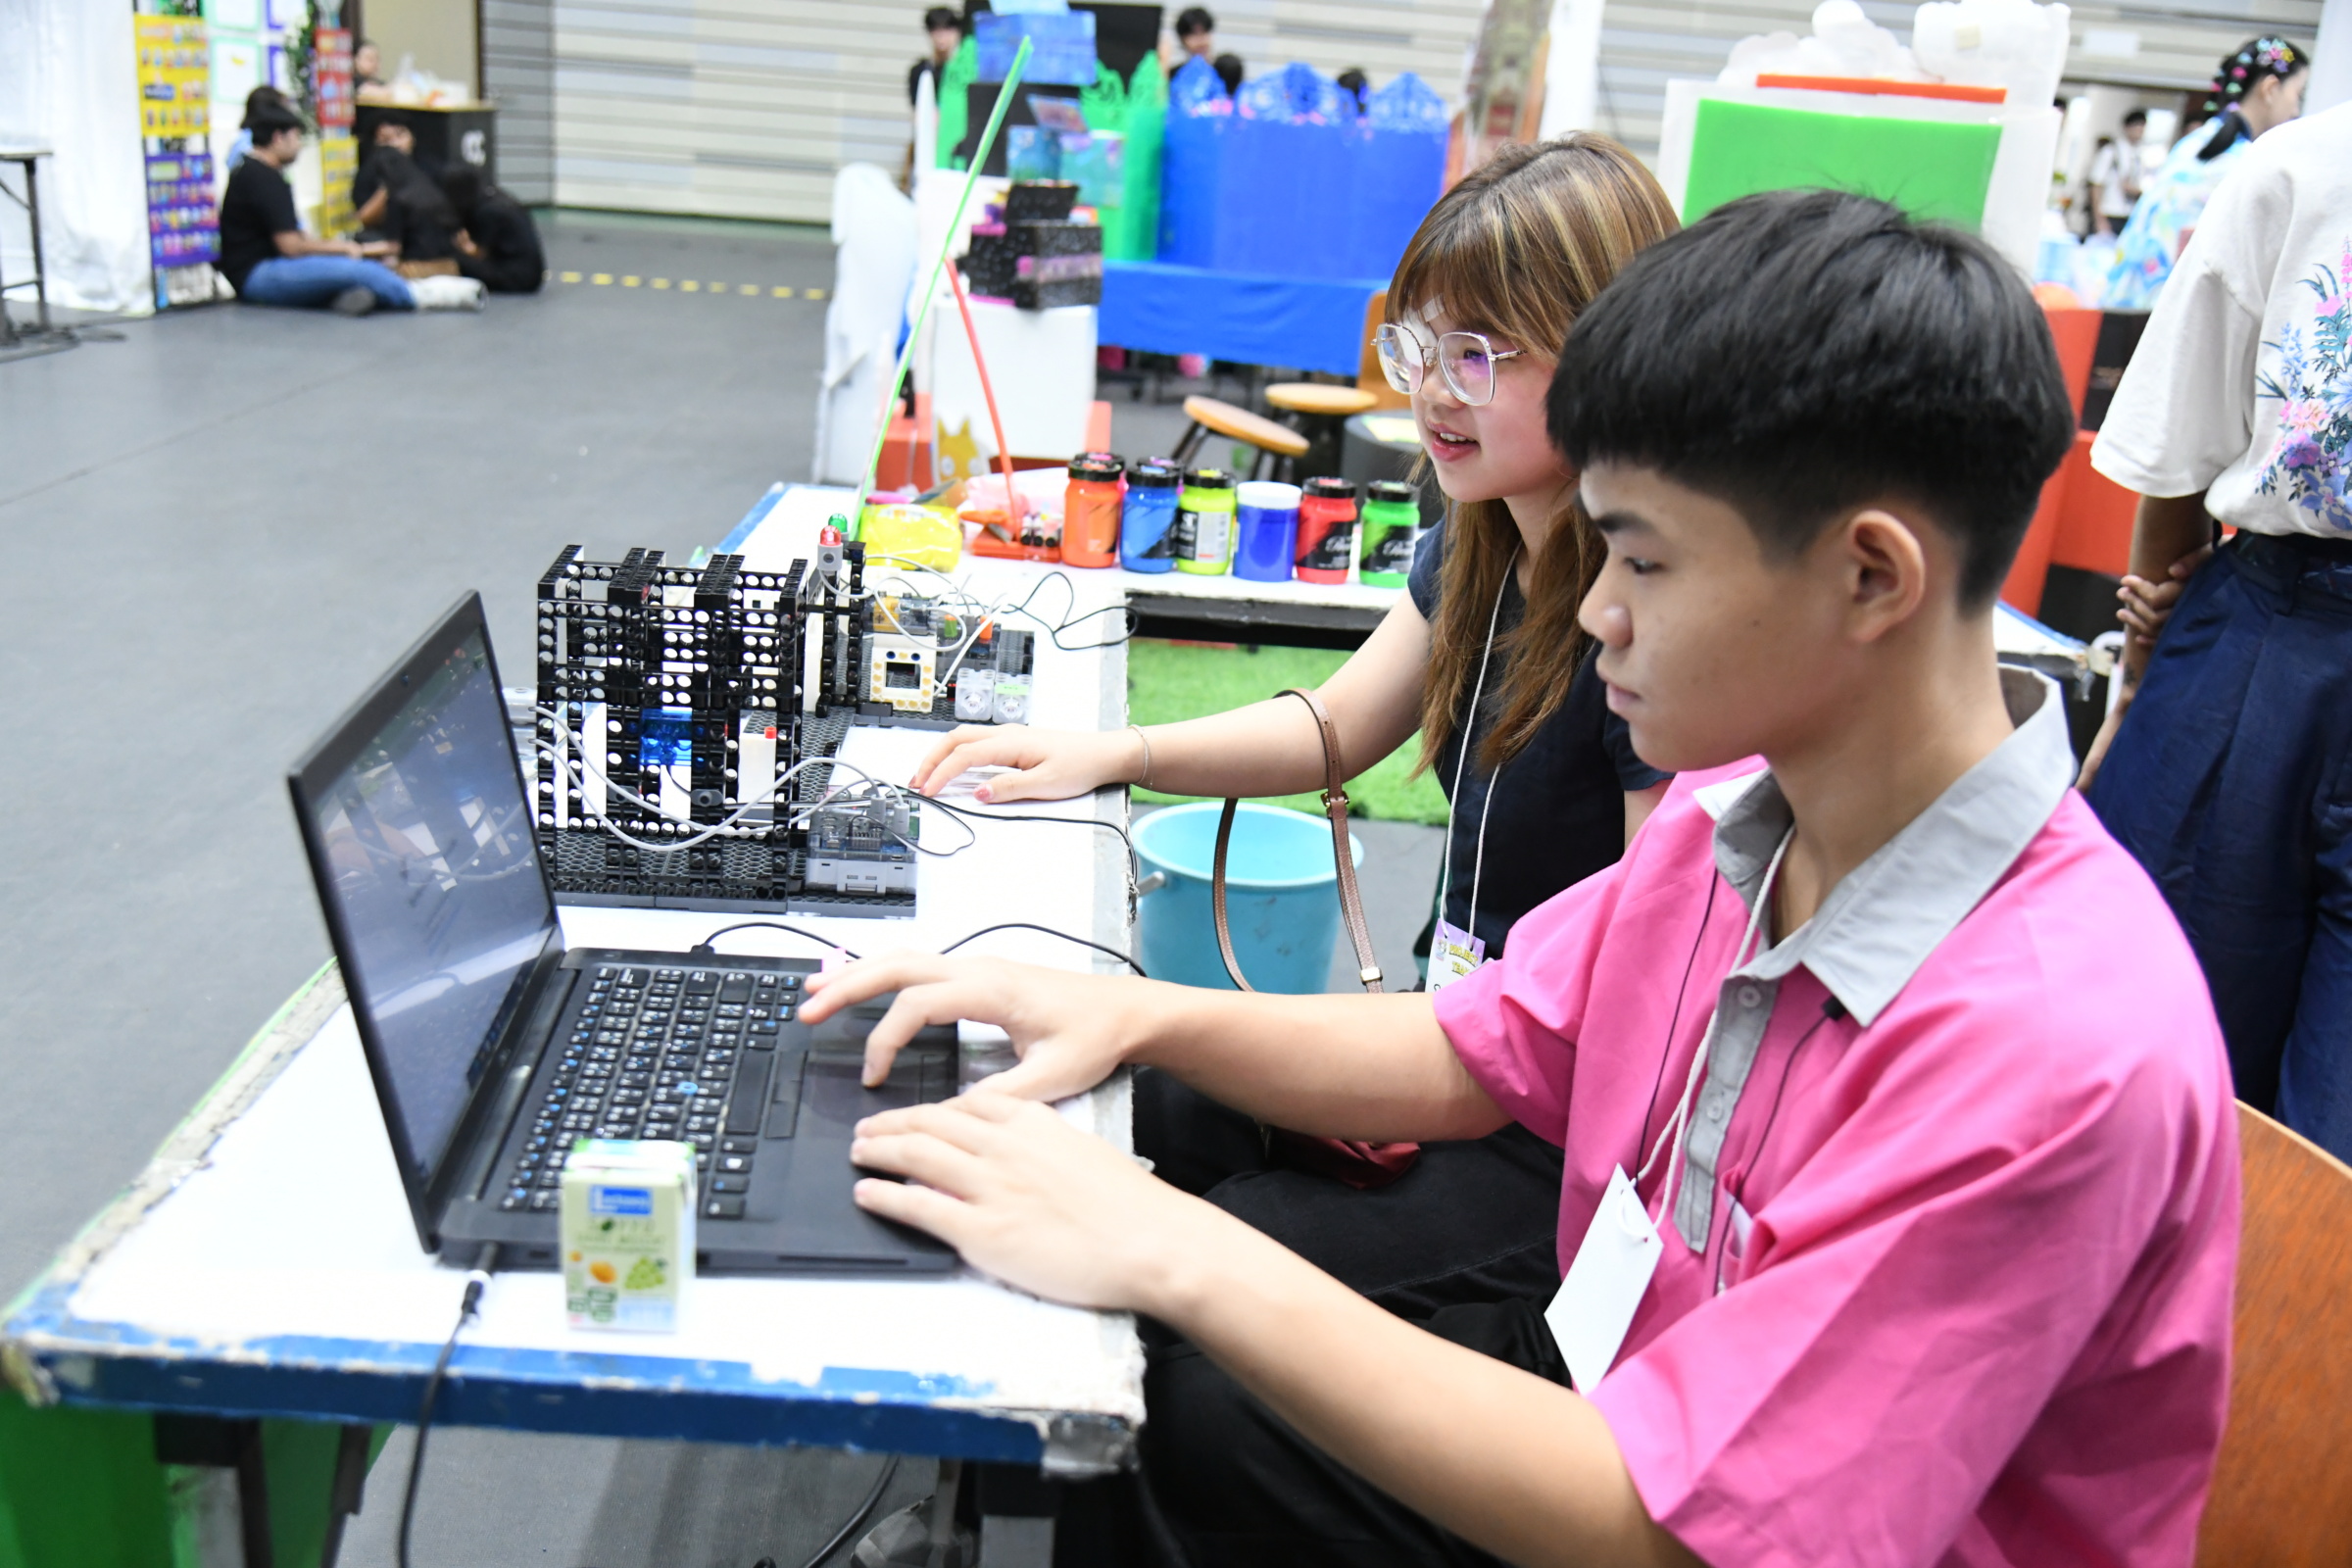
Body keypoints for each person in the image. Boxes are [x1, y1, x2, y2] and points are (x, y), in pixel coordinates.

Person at [813, 188, 2238, 1568]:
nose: (1598, 610)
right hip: (1626, 1386)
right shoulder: (1736, 824)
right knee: (1192, 1413)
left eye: (1645, 561)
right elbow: (1482, 1043)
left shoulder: (2050, 1050)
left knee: (1186, 1367)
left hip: (1686, 1505)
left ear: (1872, 576)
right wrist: (1130, 1013)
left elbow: (1686, 1533)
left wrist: (1177, 1249)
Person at [904, 132, 1675, 1313]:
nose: (1432, 389)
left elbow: (1634, 1003)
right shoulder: (1480, 546)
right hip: (1450, 1043)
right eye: (1419, 345)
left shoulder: (1649, 642)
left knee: (1218, 1239)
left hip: (1549, 1140)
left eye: (1477, 354)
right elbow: (1336, 724)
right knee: (1146, 1107)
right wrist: (1115, 753)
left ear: (1611, 357)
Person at [2080, 100, 2352, 1158]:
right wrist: (2141, 678)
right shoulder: (2301, 170)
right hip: (2268, 636)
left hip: (2265, 638)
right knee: (2163, 1080)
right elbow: (2177, 453)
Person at [2103, 36, 2308, 307]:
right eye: (2297, 95)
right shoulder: (2246, 162)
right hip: (2170, 308)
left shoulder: (2194, 143)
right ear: (2270, 89)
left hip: (2128, 300)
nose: (2296, 110)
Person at [217, 106, 416, 315]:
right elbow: (291, 246)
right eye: (296, 138)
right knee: (365, 271)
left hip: (254, 269)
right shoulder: (264, 178)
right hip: (258, 274)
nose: (299, 146)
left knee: (343, 269)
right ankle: (415, 295)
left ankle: (353, 295)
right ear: (278, 138)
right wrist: (343, 248)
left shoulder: (251, 170)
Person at [352, 115, 462, 270]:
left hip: (426, 245)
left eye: (399, 135)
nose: (394, 145)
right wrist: (387, 188)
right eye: (385, 139)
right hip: (390, 235)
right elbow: (364, 218)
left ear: (412, 137)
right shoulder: (370, 173)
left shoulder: (431, 169)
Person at [442, 166, 545, 293]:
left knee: (457, 260)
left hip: (519, 278)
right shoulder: (494, 199)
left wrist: (463, 248)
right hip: (529, 273)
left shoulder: (487, 212)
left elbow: (480, 254)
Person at [2086, 108, 2146, 234]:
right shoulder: (2111, 151)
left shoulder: (2139, 154)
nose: (2140, 131)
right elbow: (2096, 184)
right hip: (2109, 211)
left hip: (2128, 213)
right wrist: (2099, 218)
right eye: (2137, 127)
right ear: (2127, 127)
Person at [908, 7, 961, 106]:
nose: (941, 36)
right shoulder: (920, 71)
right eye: (936, 30)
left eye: (947, 29)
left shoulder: (964, 71)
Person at [1164, 5, 1214, 72]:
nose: (1201, 41)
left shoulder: (1221, 72)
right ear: (1182, 40)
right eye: (1194, 34)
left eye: (1204, 32)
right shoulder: (1175, 74)